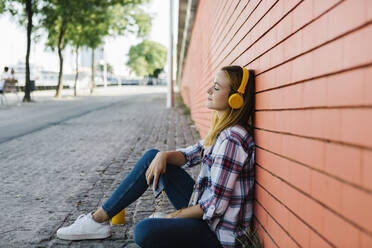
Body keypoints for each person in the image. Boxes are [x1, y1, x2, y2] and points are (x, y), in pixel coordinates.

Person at [56, 65, 256, 248]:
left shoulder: (232, 140)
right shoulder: (222, 132)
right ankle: (97, 220)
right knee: (152, 156)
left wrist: (172, 217)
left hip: (217, 233)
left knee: (143, 231)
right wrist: (163, 155)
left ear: (235, 99)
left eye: (217, 87)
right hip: (207, 215)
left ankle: (99, 220)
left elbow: (215, 206)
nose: (208, 91)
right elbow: (191, 154)